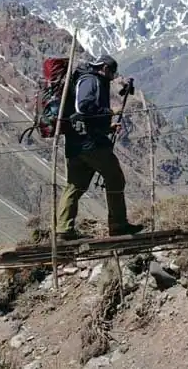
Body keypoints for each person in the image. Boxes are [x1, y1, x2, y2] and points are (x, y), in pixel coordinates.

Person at [55, 54, 144, 241]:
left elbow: (85, 116)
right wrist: (111, 112)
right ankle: (118, 225)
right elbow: (85, 108)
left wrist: (107, 126)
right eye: (112, 72)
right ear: (104, 68)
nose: (112, 77)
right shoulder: (91, 80)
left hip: (76, 142)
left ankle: (63, 230)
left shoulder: (84, 78)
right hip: (90, 143)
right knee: (115, 177)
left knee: (75, 185)